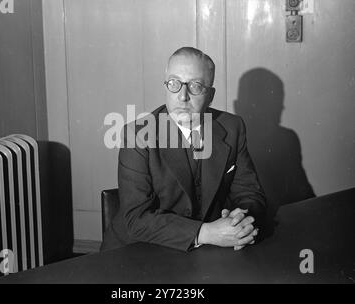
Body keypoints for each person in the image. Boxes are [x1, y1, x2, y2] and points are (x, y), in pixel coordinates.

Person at [101, 47, 266, 252]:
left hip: (206, 253)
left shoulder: (233, 127)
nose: (182, 96)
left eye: (196, 85)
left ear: (211, 95)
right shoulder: (137, 135)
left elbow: (249, 193)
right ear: (166, 86)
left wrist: (241, 219)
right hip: (138, 251)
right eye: (174, 83)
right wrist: (206, 232)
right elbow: (136, 220)